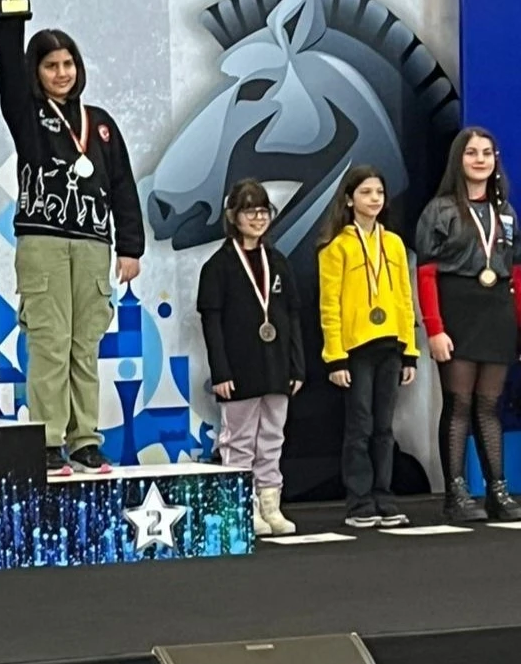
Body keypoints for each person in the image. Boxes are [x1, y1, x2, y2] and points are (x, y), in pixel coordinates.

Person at [0, 0, 144, 474]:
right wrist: (9, 3)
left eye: (68, 64)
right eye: (50, 65)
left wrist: (130, 247)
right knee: (50, 344)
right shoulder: (27, 116)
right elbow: (7, 63)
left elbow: (122, 185)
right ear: (35, 72)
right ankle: (48, 440)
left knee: (85, 346)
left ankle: (85, 440)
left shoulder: (100, 123)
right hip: (44, 243)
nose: (61, 73)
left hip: (94, 244)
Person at [416, 127, 521, 522]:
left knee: (490, 405)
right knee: (459, 403)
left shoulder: (506, 212)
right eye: (472, 153)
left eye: (487, 153)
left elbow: (517, 273)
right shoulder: (439, 210)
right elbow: (426, 274)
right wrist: (434, 328)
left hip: (497, 313)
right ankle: (456, 493)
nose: (480, 160)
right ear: (458, 160)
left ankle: (497, 491)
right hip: (456, 311)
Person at [197, 180, 304, 536]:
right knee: (239, 440)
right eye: (249, 211)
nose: (258, 218)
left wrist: (297, 366)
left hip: (277, 368)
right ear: (232, 216)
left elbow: (292, 317)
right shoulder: (218, 266)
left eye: (263, 211)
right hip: (238, 370)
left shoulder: (278, 262)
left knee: (272, 438)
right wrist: (220, 372)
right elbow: (212, 324)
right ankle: (242, 506)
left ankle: (270, 504)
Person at [317, 165, 417, 528]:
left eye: (379, 193)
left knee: (384, 428)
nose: (374, 199)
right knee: (359, 426)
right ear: (349, 199)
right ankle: (359, 502)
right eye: (365, 193)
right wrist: (335, 357)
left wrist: (410, 351)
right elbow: (329, 306)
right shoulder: (336, 248)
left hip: (391, 346)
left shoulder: (394, 244)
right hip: (355, 349)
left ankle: (384, 497)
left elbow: (405, 299)